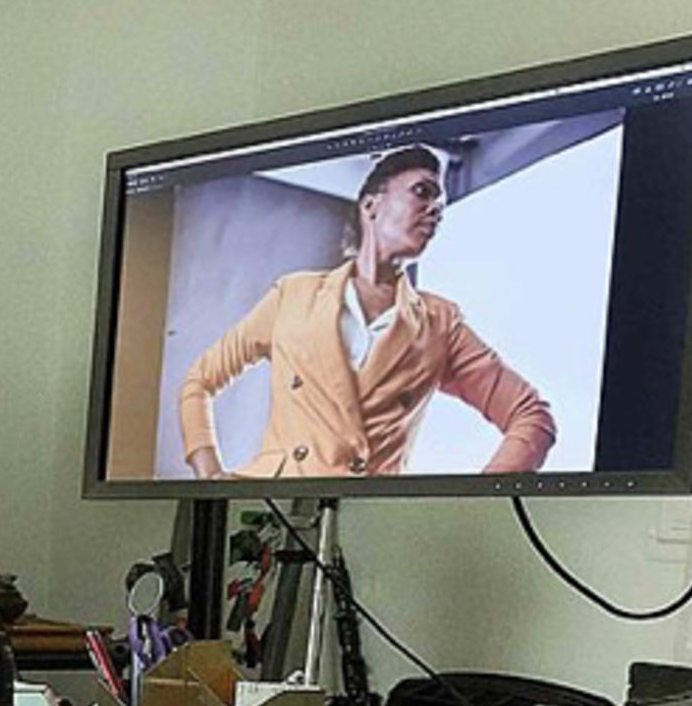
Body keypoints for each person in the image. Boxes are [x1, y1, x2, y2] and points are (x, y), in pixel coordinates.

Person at [176, 147, 556, 481]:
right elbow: (199, 382)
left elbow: (531, 415)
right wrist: (210, 477)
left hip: (367, 524)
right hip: (269, 506)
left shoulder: (441, 324)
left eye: (440, 207)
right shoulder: (293, 295)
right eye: (422, 193)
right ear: (372, 205)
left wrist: (473, 499)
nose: (435, 211)